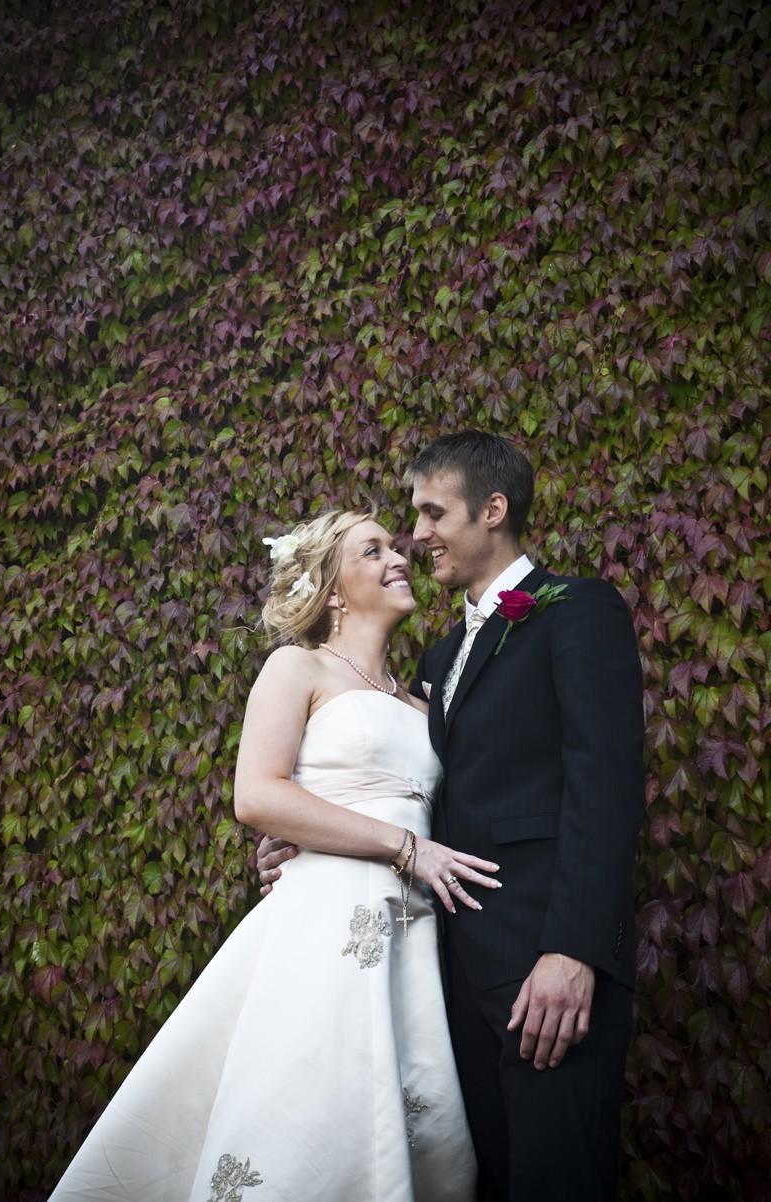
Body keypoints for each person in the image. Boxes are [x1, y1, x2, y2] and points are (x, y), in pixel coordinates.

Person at [49, 507, 500, 1202]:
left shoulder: (424, 702)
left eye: (395, 546)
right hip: (323, 924)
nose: (398, 557)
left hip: (412, 940)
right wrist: (405, 847)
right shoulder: (298, 667)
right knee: (303, 1124)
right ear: (333, 590)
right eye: (371, 551)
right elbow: (258, 795)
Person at [259, 432, 645, 1202]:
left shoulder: (579, 613)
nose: (418, 534)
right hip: (439, 982)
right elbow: (400, 790)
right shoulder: (433, 665)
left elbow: (607, 791)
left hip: (545, 972)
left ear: (493, 510)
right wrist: (296, 843)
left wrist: (573, 952)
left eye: (433, 513)